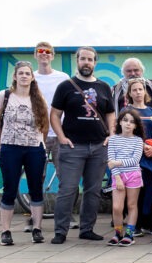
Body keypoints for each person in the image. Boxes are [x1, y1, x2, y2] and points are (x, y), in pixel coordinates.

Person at [49, 46, 116, 244]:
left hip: (98, 146)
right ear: (77, 61)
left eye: (90, 59)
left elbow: (110, 113)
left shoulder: (104, 87)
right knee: (68, 190)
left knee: (93, 190)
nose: (86, 62)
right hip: (72, 146)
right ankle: (60, 231)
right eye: (83, 59)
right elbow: (54, 114)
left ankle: (87, 229)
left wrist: (111, 134)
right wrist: (61, 137)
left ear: (95, 63)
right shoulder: (66, 86)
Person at [0, 61, 49, 246]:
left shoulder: (38, 98)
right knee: (9, 188)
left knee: (35, 189)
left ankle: (37, 228)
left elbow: (45, 123)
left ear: (32, 77)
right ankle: (5, 231)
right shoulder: (5, 95)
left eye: (27, 73)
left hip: (34, 148)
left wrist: (42, 143)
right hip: (10, 147)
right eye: (21, 73)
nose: (24, 76)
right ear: (15, 76)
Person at [29, 41, 70, 232]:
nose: (44, 54)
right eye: (40, 51)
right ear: (35, 55)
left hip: (60, 133)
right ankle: (34, 218)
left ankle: (66, 218)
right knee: (36, 176)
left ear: (53, 55)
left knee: (65, 177)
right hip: (37, 135)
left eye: (48, 52)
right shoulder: (30, 77)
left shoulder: (62, 78)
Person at [123, 78, 152, 235]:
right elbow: (126, 133)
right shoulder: (126, 112)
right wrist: (143, 146)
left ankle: (149, 218)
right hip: (135, 155)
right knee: (137, 189)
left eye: (140, 89)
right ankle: (137, 222)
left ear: (144, 92)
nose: (138, 92)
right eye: (134, 90)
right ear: (130, 93)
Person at [106, 109, 145, 246]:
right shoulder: (113, 139)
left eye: (132, 122)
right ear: (120, 122)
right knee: (117, 207)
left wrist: (117, 162)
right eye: (125, 120)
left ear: (136, 126)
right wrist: (117, 177)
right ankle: (118, 233)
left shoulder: (138, 141)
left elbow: (135, 160)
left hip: (133, 175)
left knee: (131, 205)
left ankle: (129, 234)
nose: (128, 124)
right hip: (118, 176)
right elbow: (111, 160)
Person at [113, 44, 152, 112]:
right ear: (123, 72)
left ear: (142, 71)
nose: (132, 73)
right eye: (129, 71)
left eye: (136, 70)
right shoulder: (116, 89)